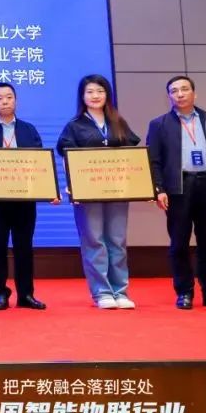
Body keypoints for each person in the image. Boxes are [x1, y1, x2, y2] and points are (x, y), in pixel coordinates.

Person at [146, 75, 206, 311]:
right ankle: (184, 292)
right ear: (169, 96)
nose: (180, 94)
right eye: (174, 91)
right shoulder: (159, 124)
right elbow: (153, 161)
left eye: (184, 89)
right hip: (178, 188)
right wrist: (158, 189)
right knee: (179, 243)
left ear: (194, 94)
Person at [57, 74, 140, 310]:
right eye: (90, 92)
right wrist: (73, 184)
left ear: (107, 95)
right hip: (88, 192)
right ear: (82, 97)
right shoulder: (75, 126)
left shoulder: (119, 123)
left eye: (100, 91)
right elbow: (67, 157)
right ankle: (102, 292)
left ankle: (120, 291)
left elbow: (132, 156)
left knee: (117, 240)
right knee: (94, 240)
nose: (95, 96)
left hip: (117, 190)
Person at [0, 83, 49, 312]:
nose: (5, 101)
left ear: (16, 100)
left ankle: (26, 294)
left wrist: (48, 191)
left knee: (24, 248)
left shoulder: (29, 129)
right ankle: (0, 293)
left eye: (9, 97)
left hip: (25, 199)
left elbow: (39, 164)